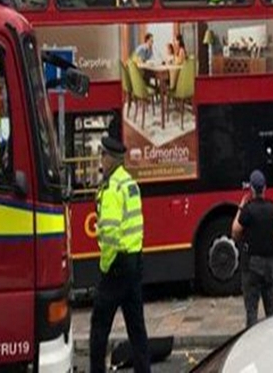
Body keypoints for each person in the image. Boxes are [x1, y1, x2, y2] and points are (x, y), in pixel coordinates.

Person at [89, 136, 149, 373]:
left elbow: (111, 235)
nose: (101, 159)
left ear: (111, 159)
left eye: (103, 155)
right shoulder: (130, 184)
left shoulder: (113, 188)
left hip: (116, 267)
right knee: (137, 328)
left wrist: (105, 267)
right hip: (135, 262)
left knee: (99, 327)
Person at [231, 169, 273, 327]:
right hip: (268, 263)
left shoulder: (247, 209)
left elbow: (235, 232)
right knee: (271, 310)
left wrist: (240, 208)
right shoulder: (272, 208)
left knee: (252, 310)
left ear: (252, 189)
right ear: (265, 188)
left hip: (251, 264)